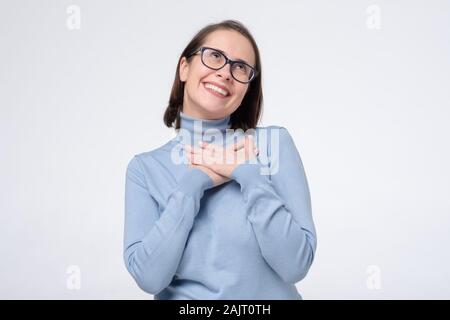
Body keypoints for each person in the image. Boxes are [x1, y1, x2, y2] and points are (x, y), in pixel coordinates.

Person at [123, 19, 317, 299]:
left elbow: (295, 266)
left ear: (246, 88)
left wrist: (249, 175)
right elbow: (150, 278)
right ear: (184, 68)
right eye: (214, 56)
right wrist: (193, 184)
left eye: (240, 67)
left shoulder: (273, 145)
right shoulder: (145, 169)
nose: (226, 72)